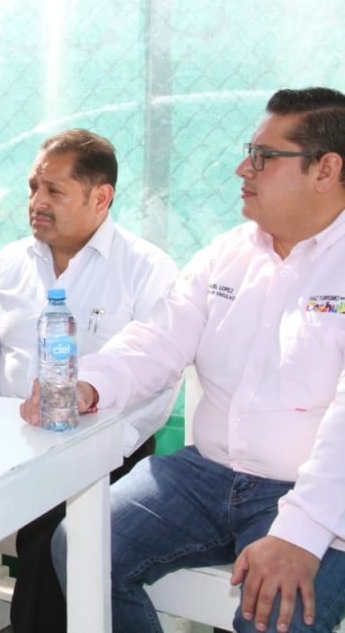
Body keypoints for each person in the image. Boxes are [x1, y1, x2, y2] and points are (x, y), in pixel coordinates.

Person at [43, 87, 345, 633]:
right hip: (204, 476)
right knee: (82, 545)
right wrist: (87, 384)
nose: (242, 170)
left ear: (326, 169)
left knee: (275, 615)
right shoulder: (230, 252)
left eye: (263, 156)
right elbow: (158, 339)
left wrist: (301, 531)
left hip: (314, 493)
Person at [0, 129, 178, 632]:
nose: (36, 202)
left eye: (54, 190)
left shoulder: (145, 269)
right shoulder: (11, 263)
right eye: (33, 187)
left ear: (101, 197)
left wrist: (89, 450)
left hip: (107, 456)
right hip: (6, 445)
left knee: (52, 530)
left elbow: (158, 387)